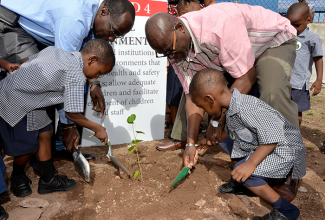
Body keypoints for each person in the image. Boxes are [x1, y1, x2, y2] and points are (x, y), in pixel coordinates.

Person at [145, 2, 301, 199]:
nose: (171, 56)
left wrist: (216, 121)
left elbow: (247, 77)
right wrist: (191, 143)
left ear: (179, 27)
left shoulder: (217, 26)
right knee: (222, 103)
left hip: (271, 42)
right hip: (236, 56)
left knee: (272, 92)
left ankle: (290, 170)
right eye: (165, 54)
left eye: (171, 49)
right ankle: (256, 161)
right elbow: (192, 97)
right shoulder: (177, 50)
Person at [0, 0, 135, 168]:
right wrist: (69, 124)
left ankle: (57, 148)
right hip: (14, 25)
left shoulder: (95, 16)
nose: (112, 38)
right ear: (104, 12)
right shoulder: (74, 20)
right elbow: (64, 77)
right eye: (113, 31)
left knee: (79, 84)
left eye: (117, 36)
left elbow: (87, 56)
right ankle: (36, 162)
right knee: (42, 87)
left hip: (42, 33)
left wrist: (94, 83)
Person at [0, 39, 115, 197]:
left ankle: (47, 181)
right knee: (27, 145)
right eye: (99, 72)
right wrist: (98, 128)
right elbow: (71, 114)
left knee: (46, 133)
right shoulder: (76, 75)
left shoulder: (56, 51)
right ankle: (18, 176)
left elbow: (27, 61)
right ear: (92, 59)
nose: (96, 76)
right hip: (16, 100)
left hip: (25, 95)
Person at [190, 68, 306, 220]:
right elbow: (235, 130)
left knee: (246, 171)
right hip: (264, 144)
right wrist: (209, 140)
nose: (205, 111)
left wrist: (250, 164)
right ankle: (242, 184)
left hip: (284, 149)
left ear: (210, 99)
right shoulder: (232, 106)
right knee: (234, 154)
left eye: (203, 107)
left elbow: (272, 138)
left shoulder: (248, 108)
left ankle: (285, 210)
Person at [287, 3, 323, 127]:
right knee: (281, 110)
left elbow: (318, 59)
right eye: (289, 24)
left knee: (296, 112)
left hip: (299, 83)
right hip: (284, 81)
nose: (293, 28)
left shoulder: (312, 38)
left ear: (308, 20)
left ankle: (294, 137)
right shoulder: (286, 36)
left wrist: (319, 79)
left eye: (297, 25)